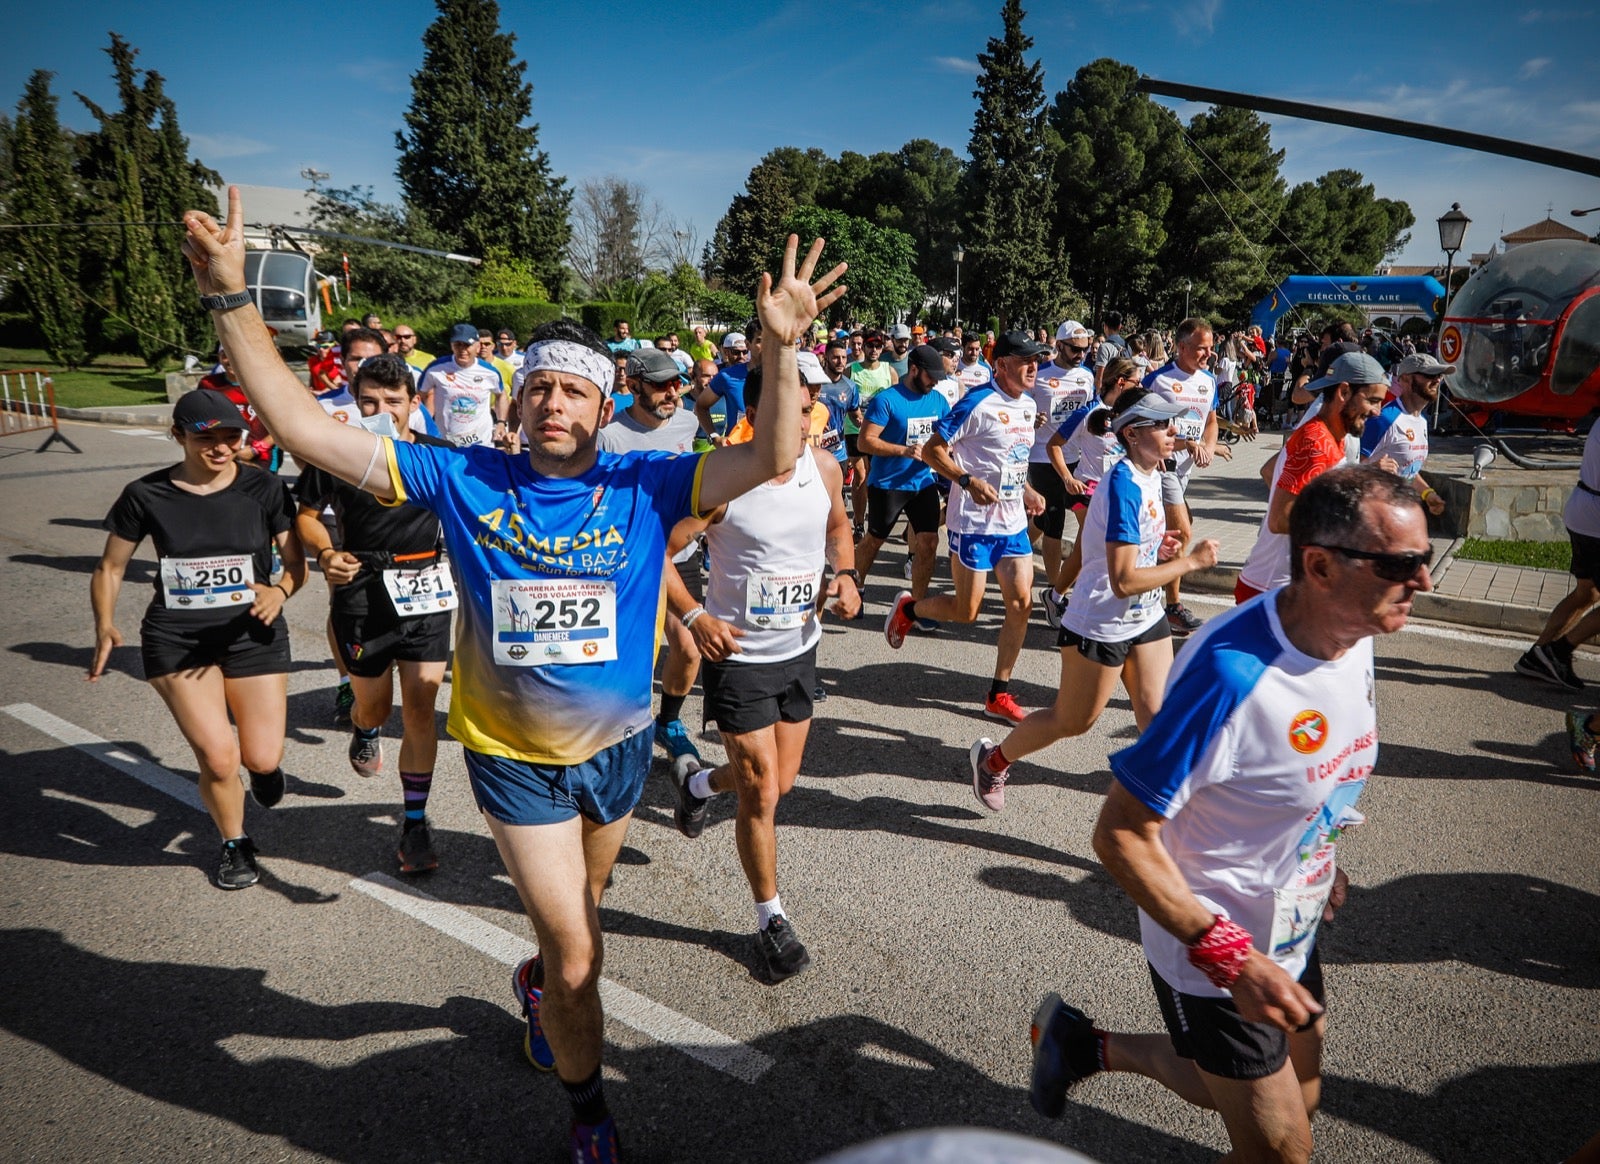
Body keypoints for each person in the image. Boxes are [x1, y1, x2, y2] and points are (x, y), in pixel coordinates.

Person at [180, 188, 844, 1159]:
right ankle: (589, 1118)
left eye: (574, 389)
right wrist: (233, 298)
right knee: (581, 956)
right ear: (515, 400)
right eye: (538, 387)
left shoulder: (646, 483)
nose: (553, 402)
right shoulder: (463, 478)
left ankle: (541, 980)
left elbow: (778, 453)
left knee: (583, 913)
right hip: (510, 758)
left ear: (602, 404)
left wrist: (779, 347)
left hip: (616, 753)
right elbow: (305, 433)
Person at [1029, 466, 1433, 1164]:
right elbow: (1119, 833)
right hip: (1213, 946)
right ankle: (1086, 1043)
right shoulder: (1231, 675)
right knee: (1282, 1148)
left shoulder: (1355, 632)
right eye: (1400, 564)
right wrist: (1230, 958)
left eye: (1423, 558)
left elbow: (1321, 771)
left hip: (1290, 920)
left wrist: (1320, 852)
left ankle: (1083, 1045)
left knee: (1296, 1095)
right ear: (1320, 566)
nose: (1423, 581)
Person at [662, 362, 861, 982]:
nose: (804, 422)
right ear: (754, 414)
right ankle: (770, 918)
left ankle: (696, 787)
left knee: (782, 783)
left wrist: (847, 574)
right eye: (790, 411)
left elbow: (837, 526)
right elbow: (659, 552)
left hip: (799, 648)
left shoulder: (822, 468)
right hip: (739, 658)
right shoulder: (723, 483)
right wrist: (694, 617)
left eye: (808, 410)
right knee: (760, 790)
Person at [89, 389, 306, 890]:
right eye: (206, 438)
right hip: (176, 637)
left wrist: (280, 591)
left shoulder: (265, 488)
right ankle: (235, 843)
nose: (221, 447)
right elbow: (110, 566)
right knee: (217, 757)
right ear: (178, 436)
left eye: (232, 437)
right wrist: (104, 624)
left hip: (253, 631)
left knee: (261, 757)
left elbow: (295, 566)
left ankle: (266, 773)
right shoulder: (145, 494)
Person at [969, 390, 1220, 811]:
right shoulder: (1123, 484)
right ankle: (992, 761)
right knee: (1072, 721)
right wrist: (1190, 564)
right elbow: (1121, 581)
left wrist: (1156, 550)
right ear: (1134, 434)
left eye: (1172, 423)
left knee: (1157, 718)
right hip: (1101, 622)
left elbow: (1121, 550)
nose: (1174, 430)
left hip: (1146, 616)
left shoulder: (1153, 472)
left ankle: (1165, 809)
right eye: (1163, 424)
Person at [294, 354, 455, 874]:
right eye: (369, 401)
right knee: (377, 712)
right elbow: (307, 516)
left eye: (392, 401)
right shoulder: (338, 454)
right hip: (363, 591)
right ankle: (363, 729)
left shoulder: (439, 455)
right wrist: (325, 554)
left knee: (420, 710)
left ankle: (413, 823)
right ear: (354, 401)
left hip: (426, 591)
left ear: (414, 403)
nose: (381, 410)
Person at [883, 331, 1049, 724]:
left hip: (1010, 524)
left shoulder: (1028, 405)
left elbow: (1014, 459)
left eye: (1037, 360)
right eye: (1025, 360)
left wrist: (1027, 491)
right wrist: (966, 481)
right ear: (1002, 364)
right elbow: (932, 450)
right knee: (967, 610)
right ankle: (909, 608)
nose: (1033, 367)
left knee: (1021, 604)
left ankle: (999, 692)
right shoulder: (977, 403)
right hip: (973, 522)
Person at [597, 347, 705, 762]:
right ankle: (624, 729)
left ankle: (669, 721)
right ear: (634, 385)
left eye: (678, 383)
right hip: (630, 562)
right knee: (633, 653)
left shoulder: (687, 419)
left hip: (681, 556)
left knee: (689, 647)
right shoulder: (610, 435)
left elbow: (696, 476)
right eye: (661, 385)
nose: (673, 392)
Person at [1236, 353, 1391, 604]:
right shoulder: (1316, 442)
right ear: (1343, 392)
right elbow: (1280, 519)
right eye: (1372, 401)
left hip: (1294, 585)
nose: (1377, 411)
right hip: (1272, 591)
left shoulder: (1334, 437)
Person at [1039, 357, 1143, 628]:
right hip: (1086, 489)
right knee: (1094, 546)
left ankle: (1057, 595)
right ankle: (1071, 598)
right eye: (1136, 381)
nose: (1141, 385)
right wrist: (1067, 478)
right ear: (1121, 382)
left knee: (1093, 549)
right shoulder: (1088, 413)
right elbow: (1054, 446)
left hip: (1117, 490)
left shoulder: (1132, 413)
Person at [1144, 318, 1225, 637]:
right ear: (1181, 347)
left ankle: (1145, 590)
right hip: (1162, 467)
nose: (1208, 354)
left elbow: (1212, 421)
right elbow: (1141, 426)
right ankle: (1172, 606)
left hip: (1186, 470)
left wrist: (1208, 445)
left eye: (1210, 348)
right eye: (1202, 349)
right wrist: (1174, 446)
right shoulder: (1158, 380)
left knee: (1162, 535)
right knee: (1182, 533)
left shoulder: (1208, 380)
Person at [854, 344, 952, 604]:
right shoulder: (887, 400)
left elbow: (946, 438)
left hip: (922, 482)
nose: (934, 382)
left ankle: (917, 606)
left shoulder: (938, 400)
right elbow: (865, 442)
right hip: (888, 483)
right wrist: (903, 450)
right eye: (930, 376)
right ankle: (855, 587)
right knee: (874, 541)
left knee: (929, 542)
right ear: (914, 369)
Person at [1516, 405, 1600, 690]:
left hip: (1584, 510)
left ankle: (1537, 657)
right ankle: (1558, 651)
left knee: (1587, 592)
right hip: (1595, 518)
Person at [1030, 321, 1098, 585]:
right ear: (1058, 346)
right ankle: (1055, 589)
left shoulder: (1087, 376)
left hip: (1076, 458)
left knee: (1085, 519)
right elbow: (1017, 404)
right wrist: (1030, 419)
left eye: (1085, 349)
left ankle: (1012, 551)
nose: (1081, 355)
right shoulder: (1038, 373)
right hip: (1042, 456)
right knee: (1055, 521)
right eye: (1074, 349)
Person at [1360, 352, 1452, 517]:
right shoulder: (1383, 419)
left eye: (1439, 376)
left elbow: (1406, 469)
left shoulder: (1422, 421)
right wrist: (1372, 469)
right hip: (1372, 517)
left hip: (1399, 515)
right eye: (1429, 375)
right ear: (1406, 380)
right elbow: (1348, 466)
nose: (1437, 380)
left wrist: (1427, 493)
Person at [418, 323, 509, 448]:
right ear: (451, 346)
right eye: (458, 345)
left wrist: (501, 422)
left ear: (477, 346)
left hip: (481, 442)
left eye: (467, 345)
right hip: (446, 442)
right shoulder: (435, 369)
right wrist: (425, 424)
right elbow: (418, 397)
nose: (462, 350)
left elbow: (501, 395)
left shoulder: (489, 372)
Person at [198, 344, 277, 470]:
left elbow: (282, 424)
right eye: (225, 355)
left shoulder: (265, 384)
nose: (231, 360)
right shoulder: (208, 384)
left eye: (237, 355)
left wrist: (256, 449)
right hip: (222, 453)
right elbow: (201, 420)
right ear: (219, 358)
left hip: (261, 456)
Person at [695, 330, 751, 444]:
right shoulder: (722, 374)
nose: (741, 357)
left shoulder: (757, 372)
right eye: (736, 352)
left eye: (745, 352)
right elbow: (700, 405)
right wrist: (714, 437)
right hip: (734, 445)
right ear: (726, 352)